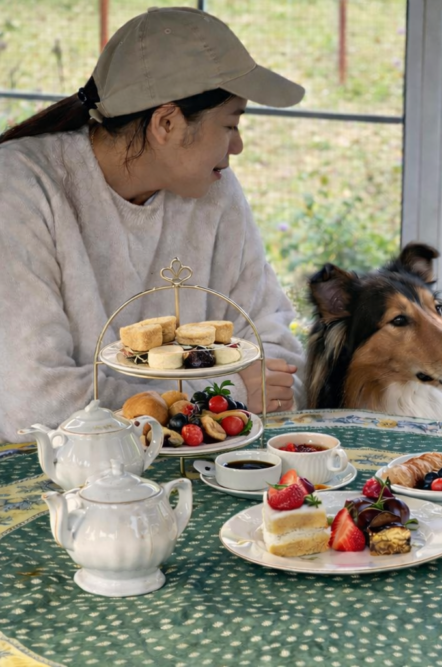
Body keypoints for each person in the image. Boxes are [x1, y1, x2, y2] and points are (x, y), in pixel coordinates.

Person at [0, 7, 306, 443]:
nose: (237, 146)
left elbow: (273, 350)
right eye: (231, 124)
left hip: (199, 469)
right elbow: (32, 405)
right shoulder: (20, 186)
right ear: (166, 122)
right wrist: (226, 396)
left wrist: (251, 391)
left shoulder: (213, 189)